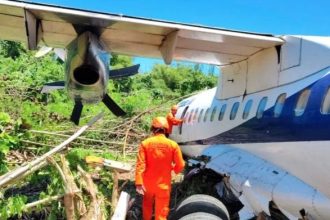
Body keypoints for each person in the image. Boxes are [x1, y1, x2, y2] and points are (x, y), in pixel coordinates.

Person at [135, 116, 185, 220]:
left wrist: (139, 183)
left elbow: (141, 164)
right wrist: (173, 170)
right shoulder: (173, 145)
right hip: (164, 185)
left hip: (147, 184)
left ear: (153, 128)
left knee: (147, 205)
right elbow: (181, 165)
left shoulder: (145, 143)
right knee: (162, 211)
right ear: (166, 129)